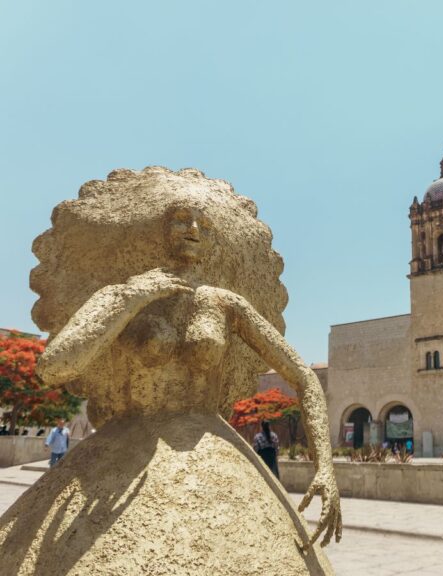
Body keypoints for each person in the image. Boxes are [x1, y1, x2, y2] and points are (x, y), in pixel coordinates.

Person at [0, 168, 339, 573]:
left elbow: (303, 376)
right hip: (121, 455)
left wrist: (326, 468)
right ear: (157, 229)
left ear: (215, 241)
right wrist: (132, 297)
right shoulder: (121, 294)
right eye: (181, 218)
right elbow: (55, 367)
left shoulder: (225, 304)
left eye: (205, 224)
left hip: (214, 459)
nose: (193, 229)